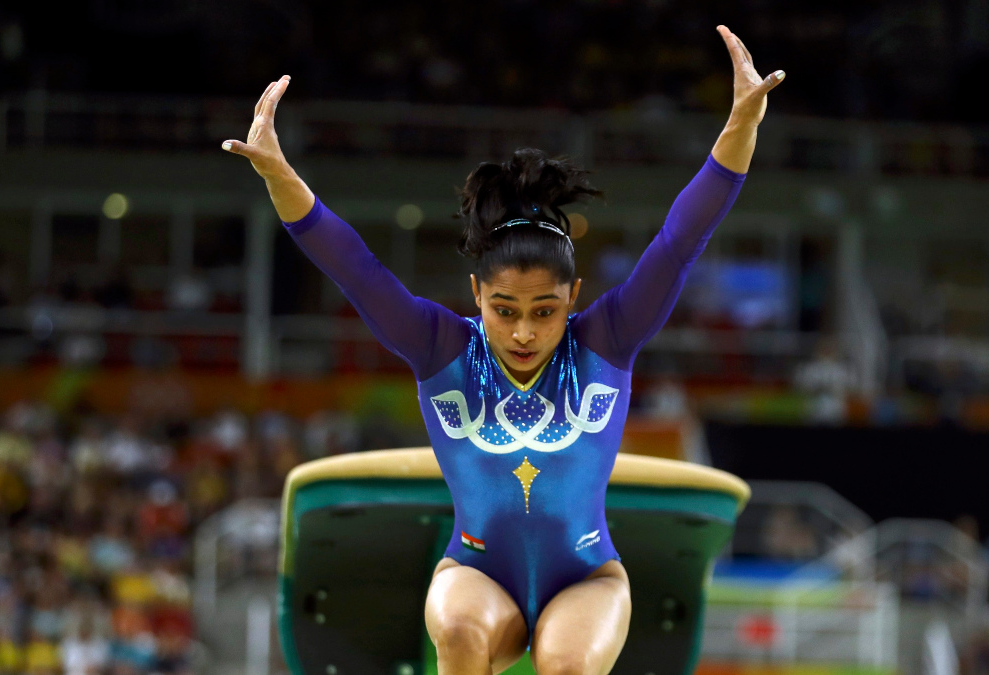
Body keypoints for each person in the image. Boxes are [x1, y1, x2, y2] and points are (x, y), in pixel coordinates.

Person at [222, 24, 782, 675]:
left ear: (573, 295)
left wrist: (741, 125)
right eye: (504, 310)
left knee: (566, 668)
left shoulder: (609, 337)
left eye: (544, 311)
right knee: (459, 635)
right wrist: (278, 173)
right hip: (476, 568)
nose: (522, 332)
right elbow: (354, 266)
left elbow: (681, 239)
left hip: (588, 579)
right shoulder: (440, 346)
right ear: (475, 294)